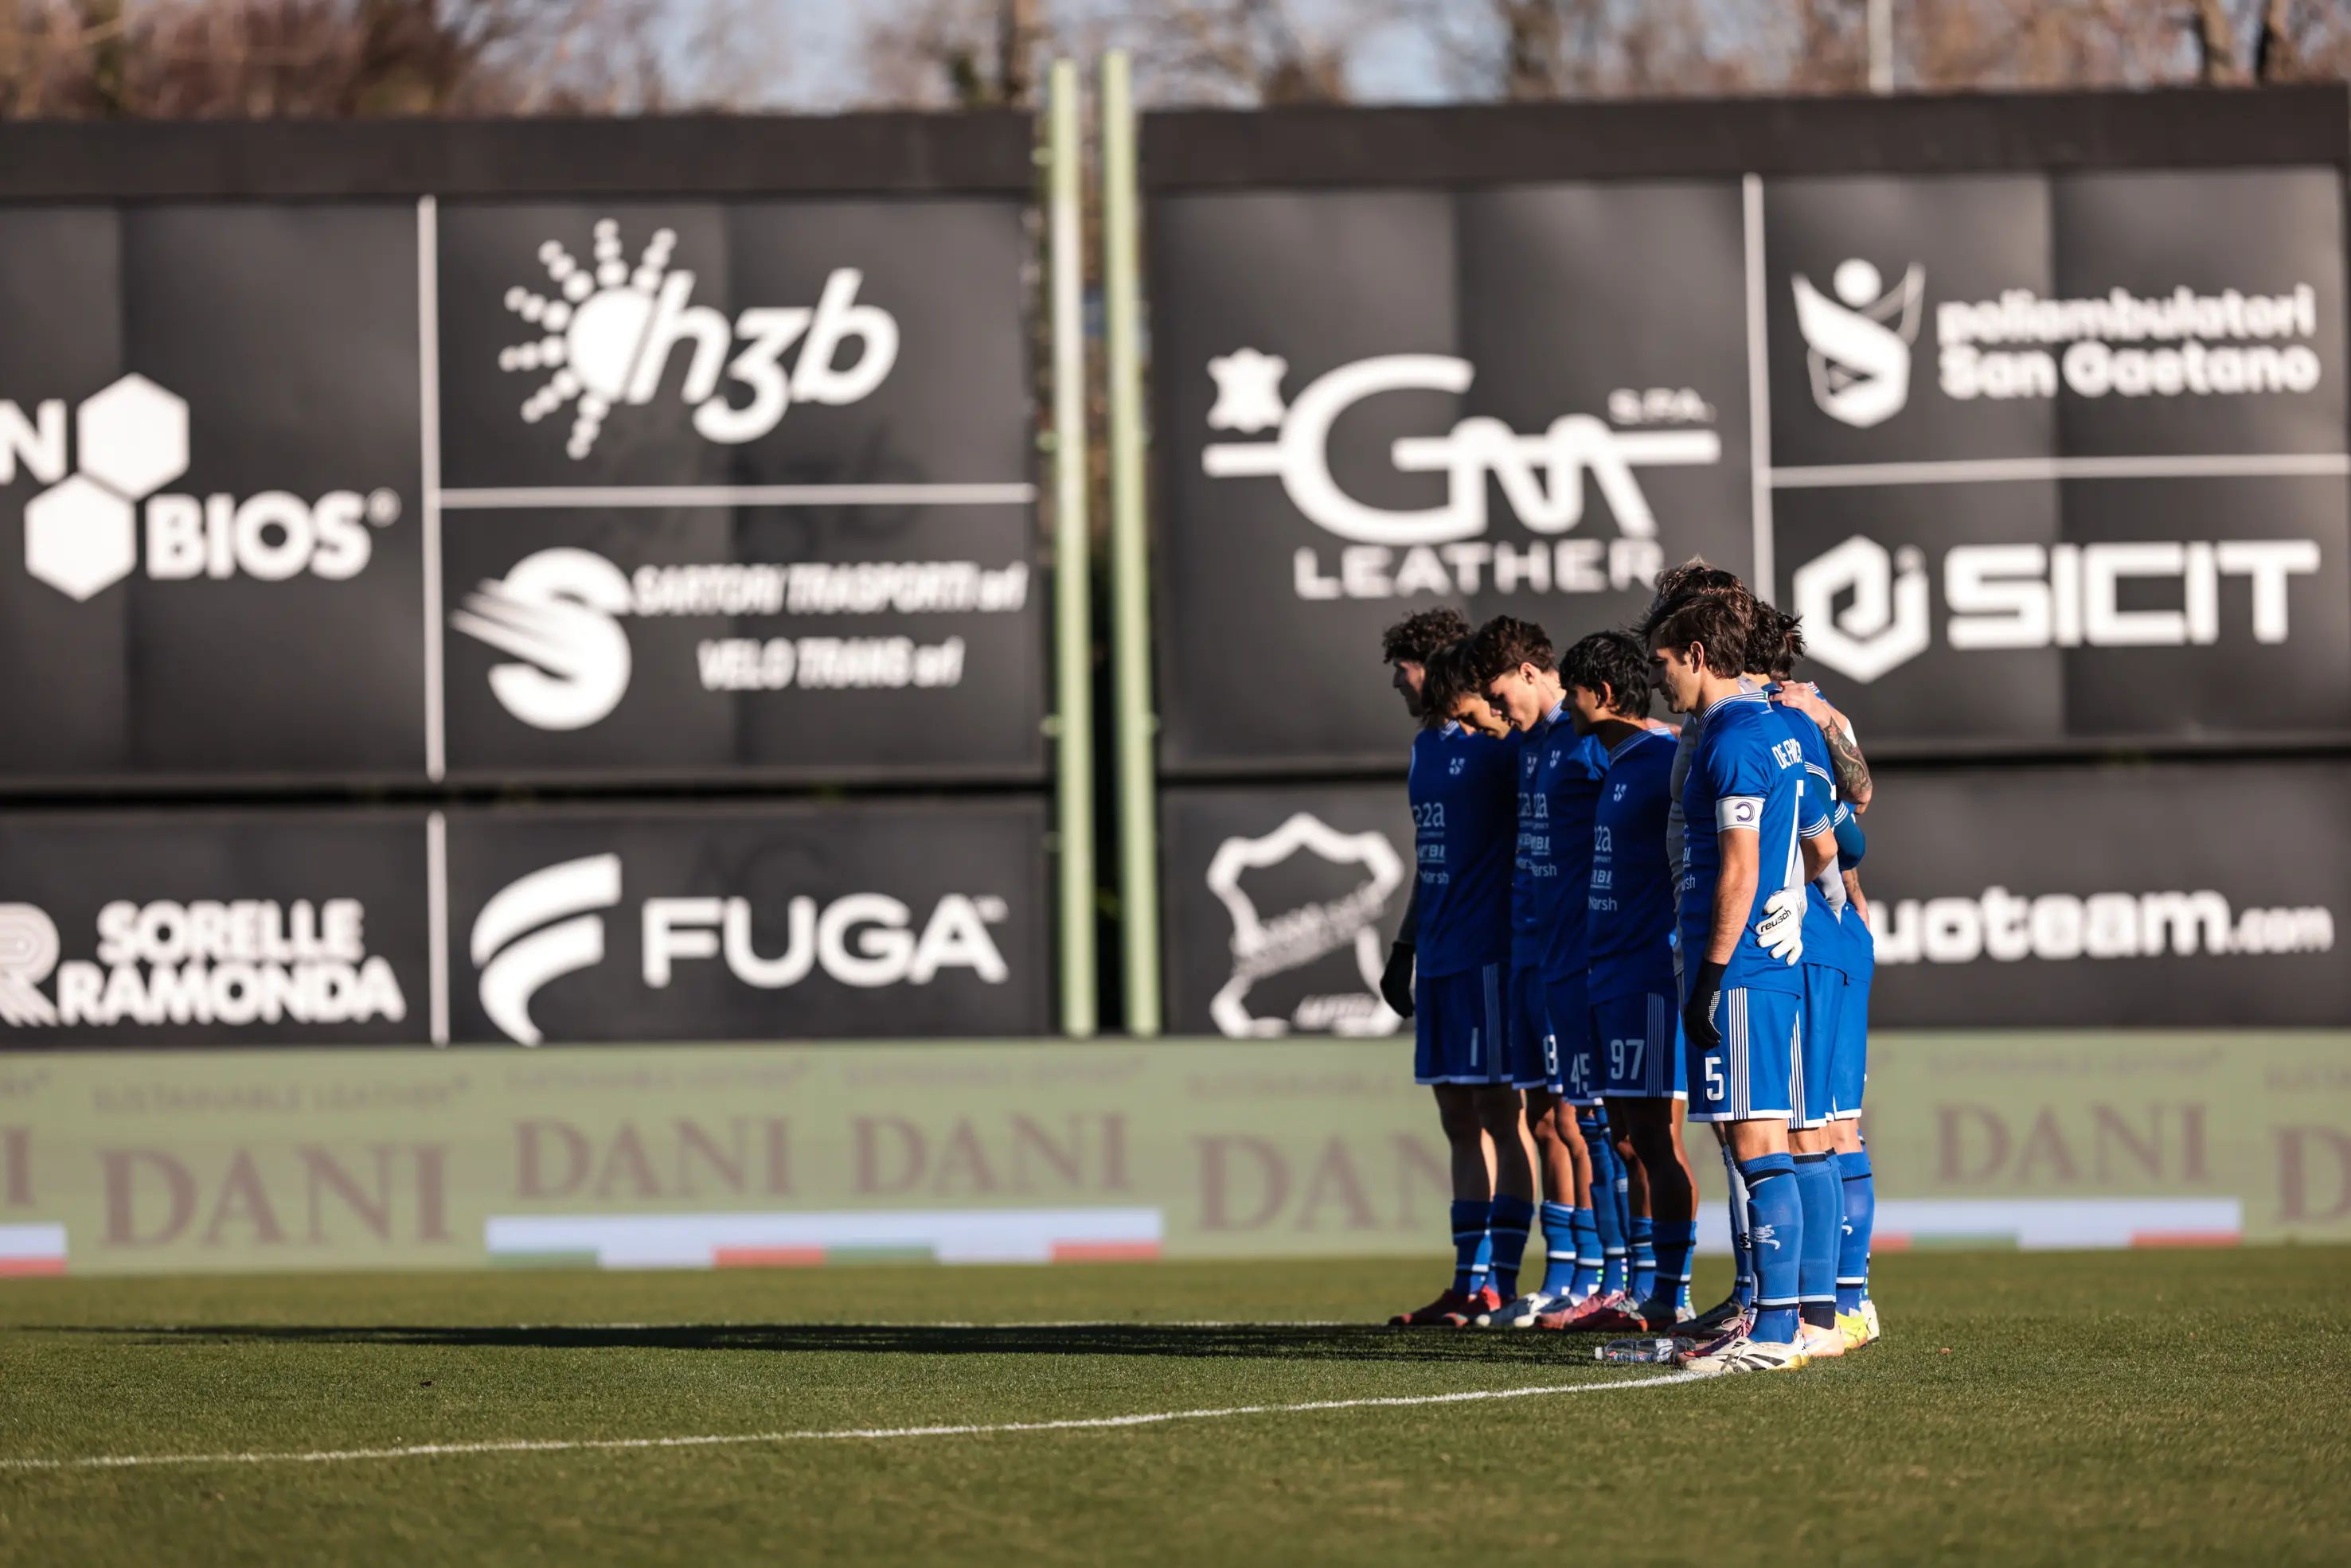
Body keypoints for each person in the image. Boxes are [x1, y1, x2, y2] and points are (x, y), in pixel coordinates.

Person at [1646, 585, 1830, 1375]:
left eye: (1662, 661)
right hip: (1773, 960)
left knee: (1756, 1145)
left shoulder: (1728, 739)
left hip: (1744, 967)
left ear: (1695, 655)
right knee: (1763, 1138)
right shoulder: (1784, 725)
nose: (1658, 678)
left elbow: (1739, 870)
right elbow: (1826, 838)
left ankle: (1775, 1332)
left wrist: (1708, 979)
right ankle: (1783, 1321)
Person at [1381, 622, 1535, 1326]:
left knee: (1504, 1116)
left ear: (1434, 667)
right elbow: (1429, 861)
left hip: (1489, 957)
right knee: (1456, 1121)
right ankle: (1464, 1280)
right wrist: (1404, 948)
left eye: (1403, 668)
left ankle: (1498, 1283)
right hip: (1440, 958)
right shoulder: (1424, 749)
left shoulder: (1500, 749)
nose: (1396, 682)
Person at [1463, 616, 1602, 1328]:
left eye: (1498, 693)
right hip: (1530, 953)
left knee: (1580, 1123)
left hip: (1575, 956)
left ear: (1528, 672)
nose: (1496, 710)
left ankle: (1596, 1276)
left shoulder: (1584, 735)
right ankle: (1564, 1273)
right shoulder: (1528, 747)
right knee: (1545, 1120)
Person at [1560, 630, 1699, 1332]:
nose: (1565, 703)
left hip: (1649, 975)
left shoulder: (1664, 761)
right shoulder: (1612, 761)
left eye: (1572, 691)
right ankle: (1643, 1291)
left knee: (1654, 1138)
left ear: (1603, 696)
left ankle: (1671, 1295)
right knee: (1624, 1139)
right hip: (1607, 972)